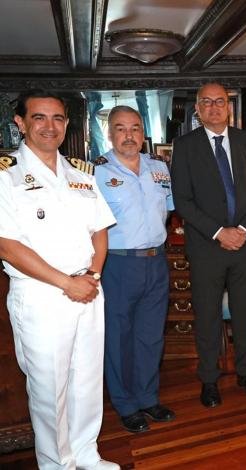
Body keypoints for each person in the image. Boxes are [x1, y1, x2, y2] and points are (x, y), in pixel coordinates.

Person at [0, 90, 118, 469]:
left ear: (66, 125)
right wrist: (66, 283)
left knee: (86, 380)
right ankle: (56, 463)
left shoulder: (80, 173)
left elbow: (100, 230)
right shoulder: (6, 175)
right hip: (42, 296)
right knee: (50, 389)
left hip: (88, 288)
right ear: (20, 123)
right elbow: (6, 245)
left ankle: (86, 454)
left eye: (57, 119)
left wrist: (92, 275)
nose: (49, 126)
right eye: (39, 117)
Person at [170, 83, 246, 407]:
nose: (213, 107)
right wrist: (218, 232)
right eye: (206, 103)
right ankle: (209, 379)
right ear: (197, 109)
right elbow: (182, 200)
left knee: (244, 313)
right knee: (208, 315)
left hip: (244, 243)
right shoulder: (185, 147)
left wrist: (240, 229)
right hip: (205, 246)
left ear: (229, 107)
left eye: (220, 102)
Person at [94, 106, 175, 433]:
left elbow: (165, 212)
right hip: (118, 263)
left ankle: (147, 397)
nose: (128, 135)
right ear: (109, 134)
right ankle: (126, 403)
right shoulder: (95, 171)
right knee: (119, 337)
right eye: (120, 128)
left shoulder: (159, 168)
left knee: (150, 336)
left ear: (143, 133)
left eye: (135, 128)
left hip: (156, 261)